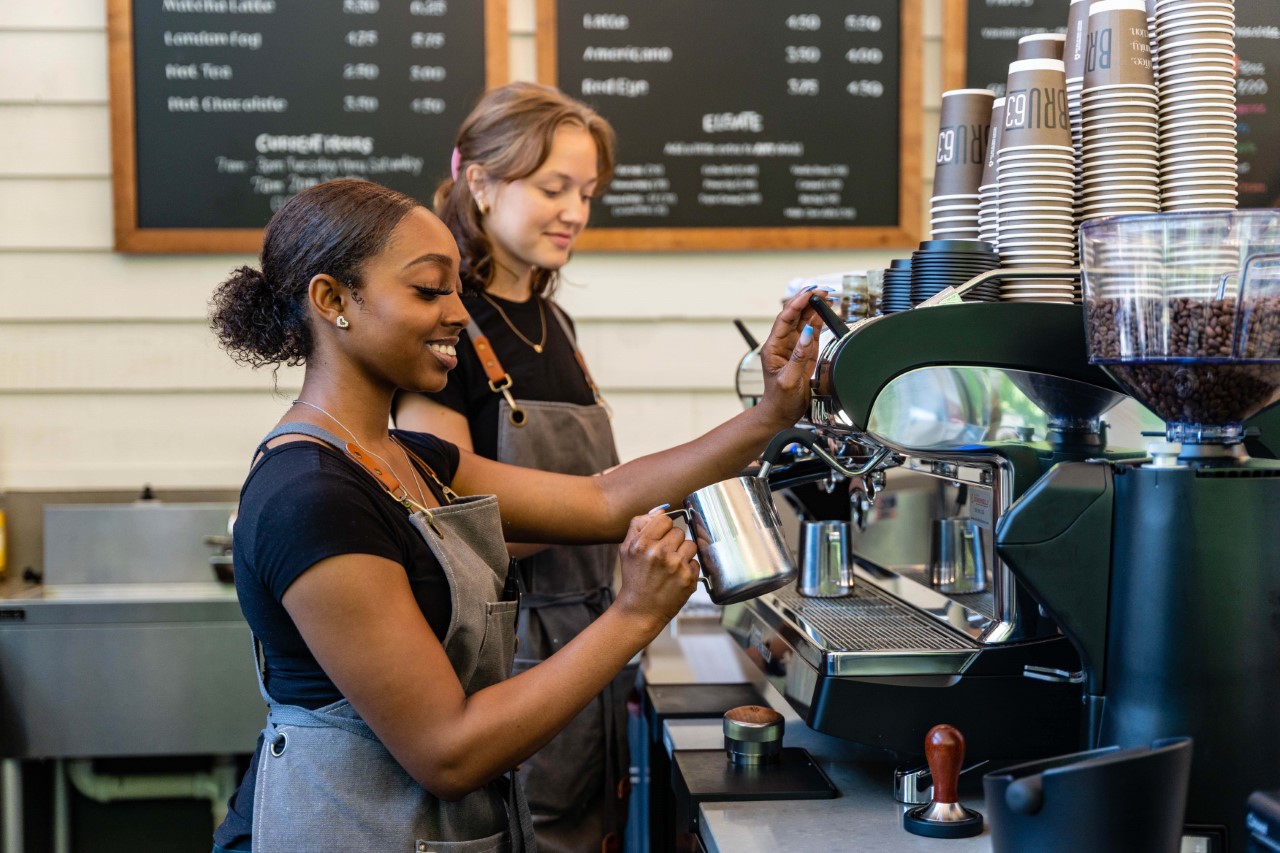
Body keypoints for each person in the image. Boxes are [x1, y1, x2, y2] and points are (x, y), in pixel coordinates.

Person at [208, 177, 819, 852]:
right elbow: (448, 751)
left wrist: (771, 415)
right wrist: (635, 615)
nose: (458, 315)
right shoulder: (312, 498)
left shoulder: (411, 457)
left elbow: (602, 498)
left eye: (456, 291)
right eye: (428, 290)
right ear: (333, 300)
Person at [391, 81, 632, 851]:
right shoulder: (447, 323)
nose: (575, 211)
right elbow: (446, 502)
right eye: (553, 187)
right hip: (507, 655)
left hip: (594, 638)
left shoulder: (554, 322)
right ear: (481, 183)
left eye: (587, 191)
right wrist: (604, 507)